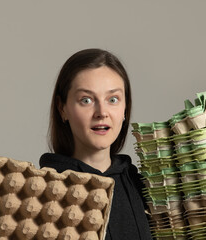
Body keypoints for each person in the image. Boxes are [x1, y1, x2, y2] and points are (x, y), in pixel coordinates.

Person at [39, 48, 152, 240]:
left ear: (125, 108)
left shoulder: (144, 189)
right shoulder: (43, 194)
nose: (101, 112)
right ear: (62, 108)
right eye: (86, 100)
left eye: (113, 99)